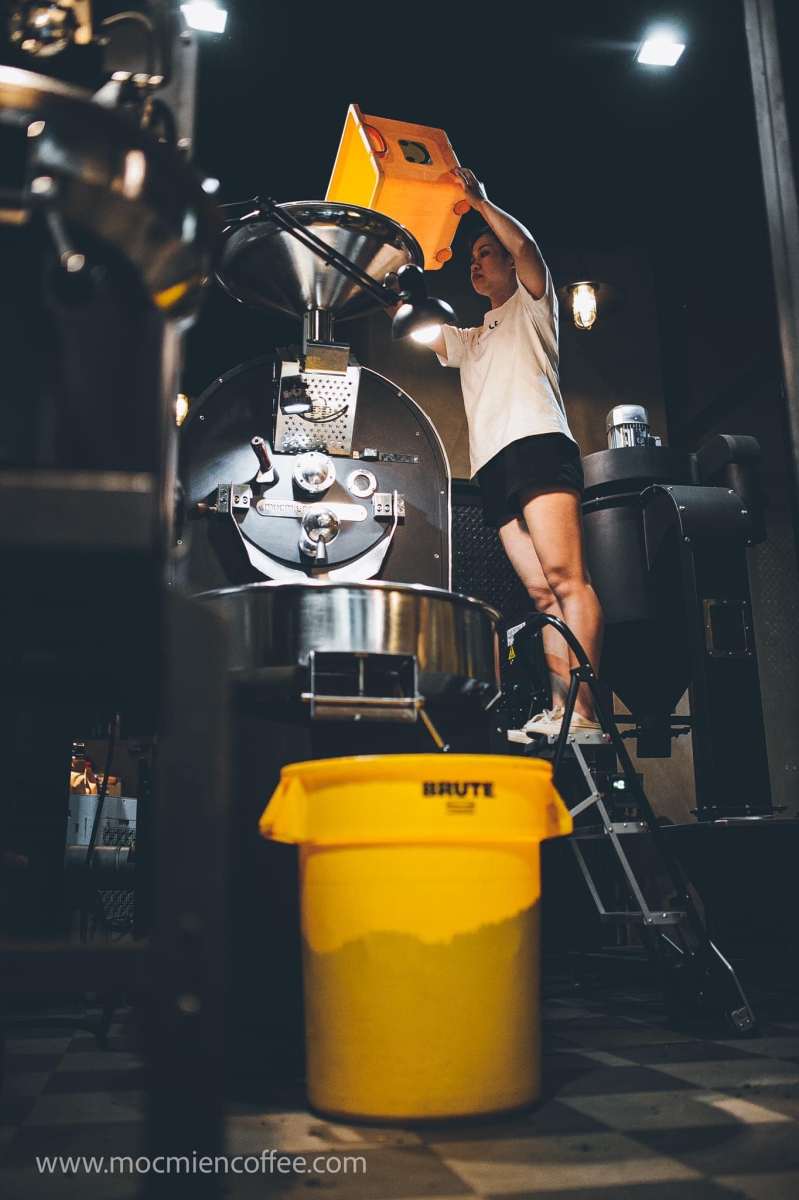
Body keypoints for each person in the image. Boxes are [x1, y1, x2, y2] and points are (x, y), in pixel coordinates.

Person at [420, 167, 604, 737]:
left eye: (484, 254)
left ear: (506, 261)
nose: (475, 264)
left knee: (567, 580)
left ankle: (585, 712)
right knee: (541, 594)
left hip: (537, 443)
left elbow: (526, 249)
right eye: (471, 258)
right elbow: (413, 324)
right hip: (493, 465)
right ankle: (560, 709)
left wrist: (479, 203)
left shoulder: (532, 305)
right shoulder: (471, 338)